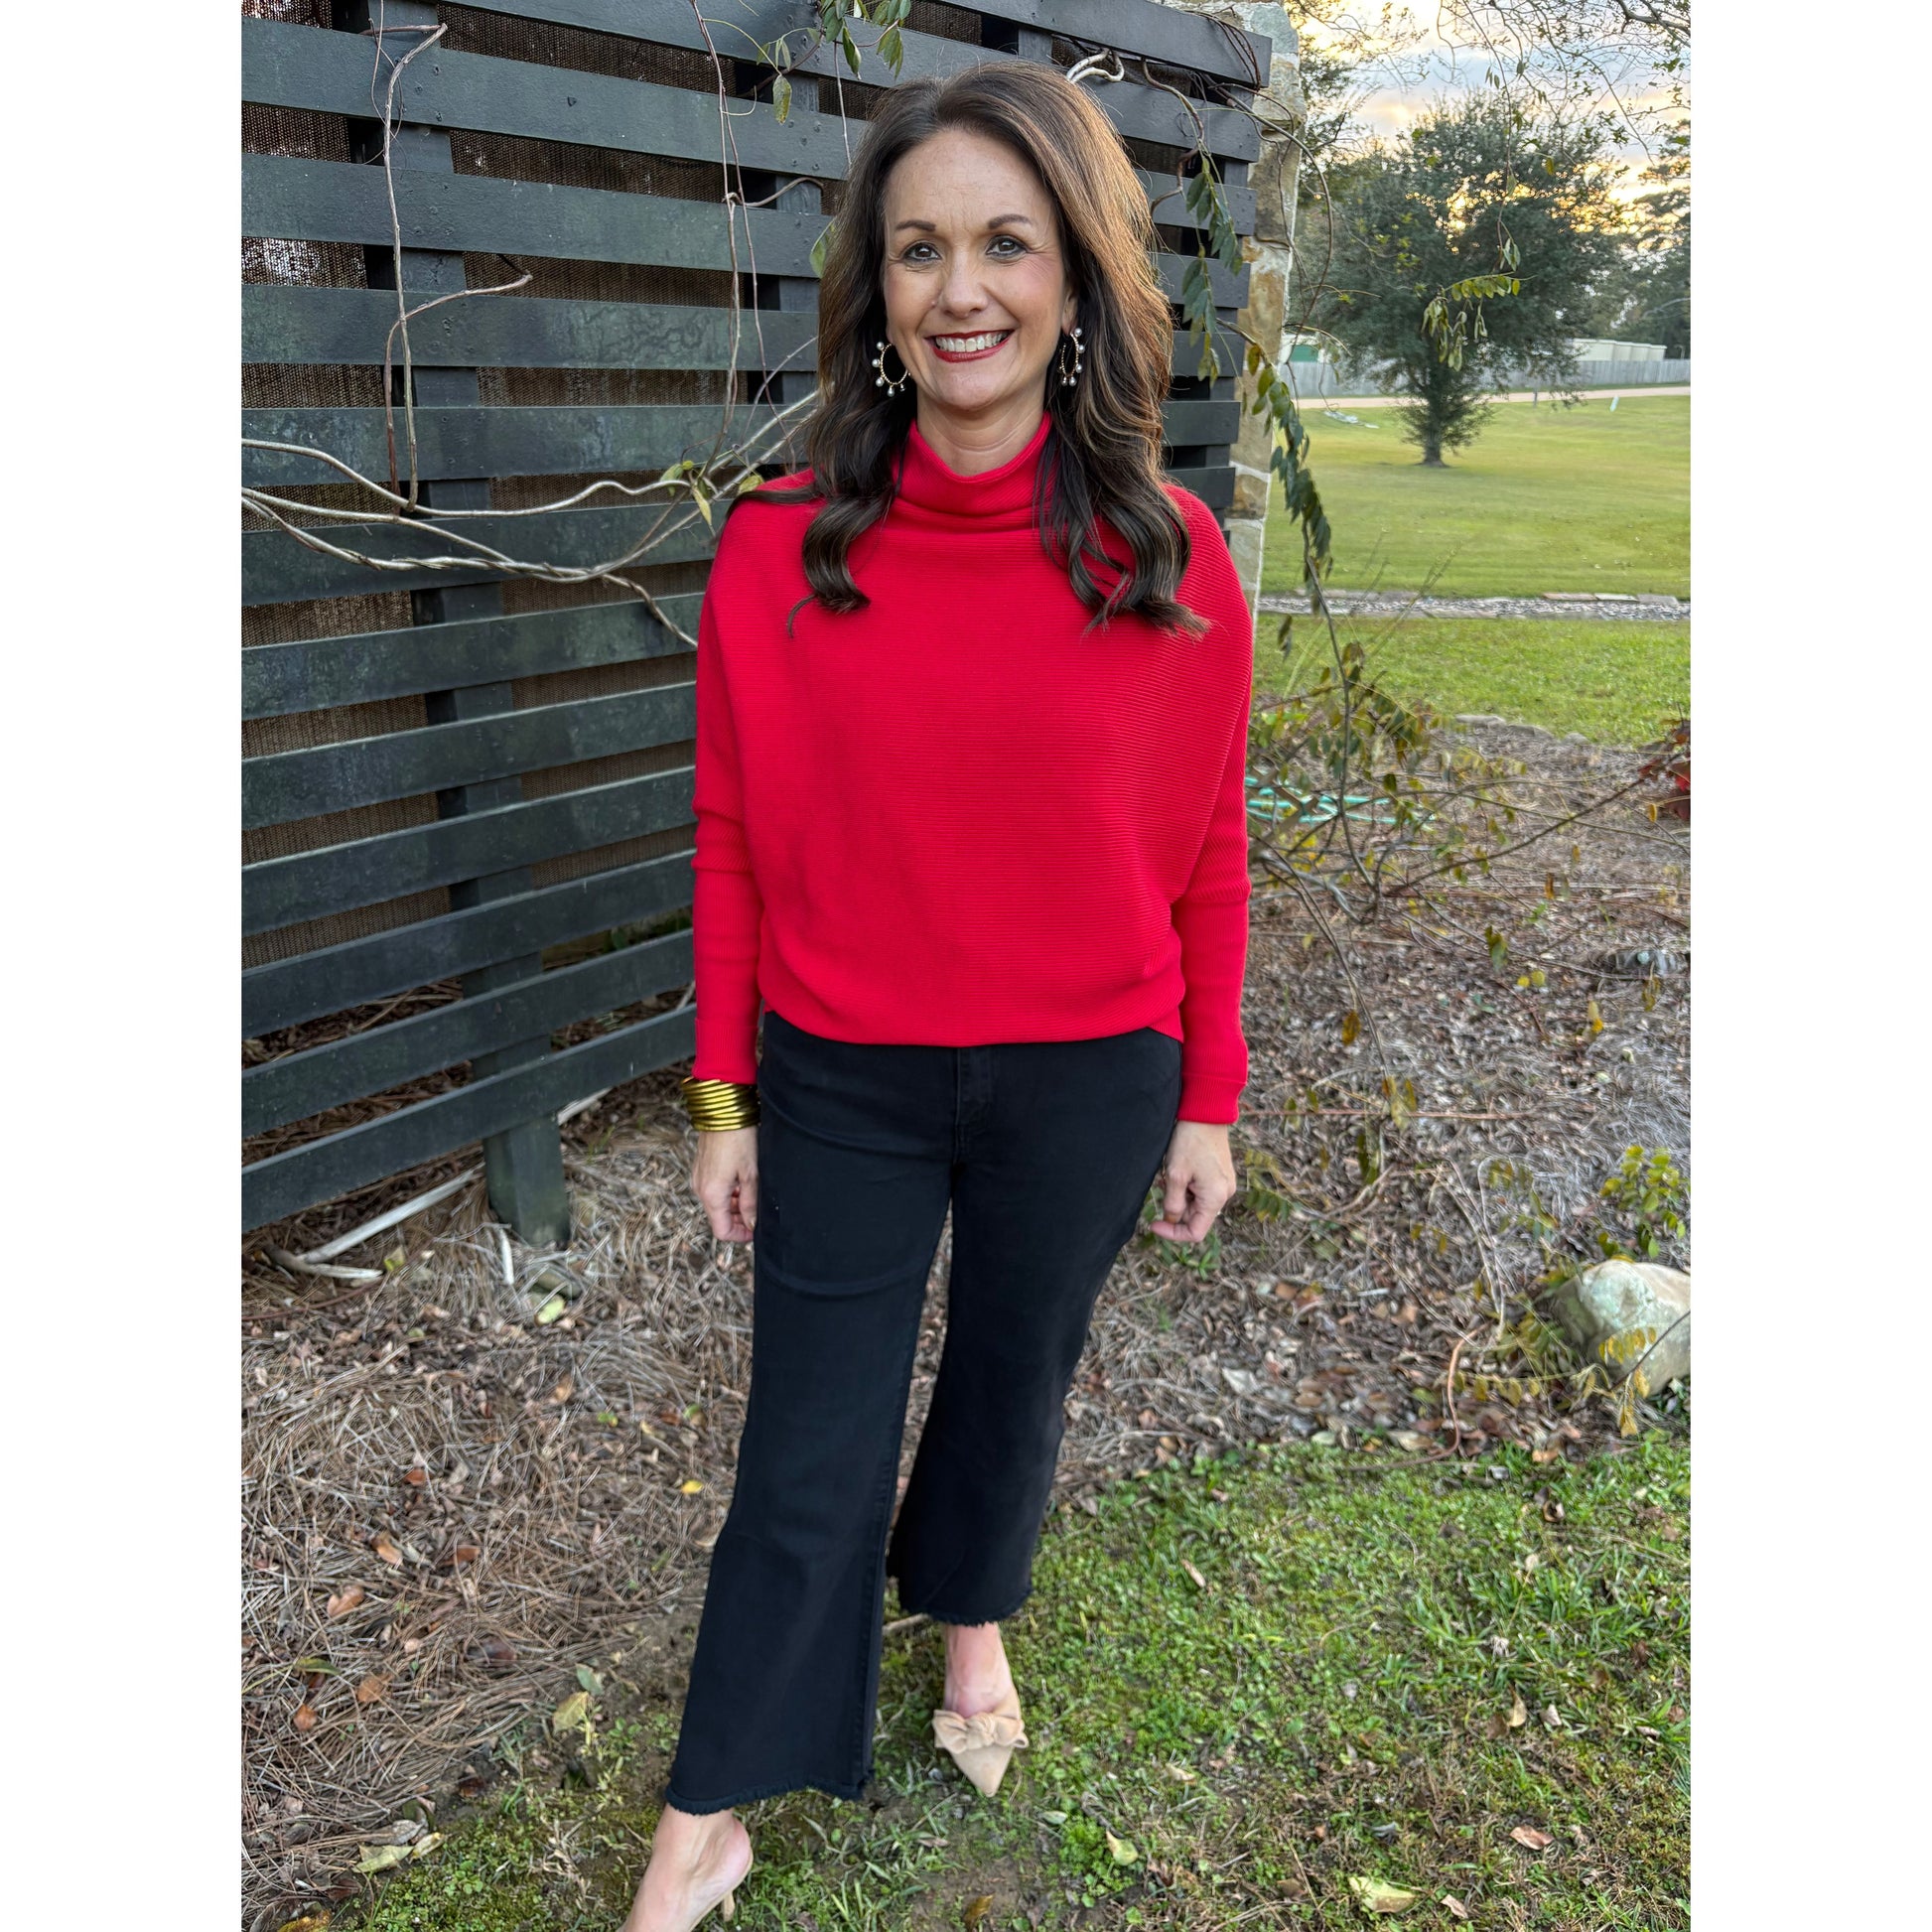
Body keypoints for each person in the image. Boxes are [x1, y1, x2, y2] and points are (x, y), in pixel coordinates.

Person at [622, 59, 1254, 1932]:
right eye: (917, 250)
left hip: (1091, 1073)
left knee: (1010, 1379)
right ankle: (705, 1817)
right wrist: (721, 1097)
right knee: (803, 1451)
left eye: (1004, 241)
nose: (958, 287)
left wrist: (1205, 1089)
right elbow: (729, 832)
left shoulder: (1170, 558)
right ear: (876, 293)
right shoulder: (776, 554)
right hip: (844, 1080)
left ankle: (970, 1615)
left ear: (1072, 278)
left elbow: (1208, 846)